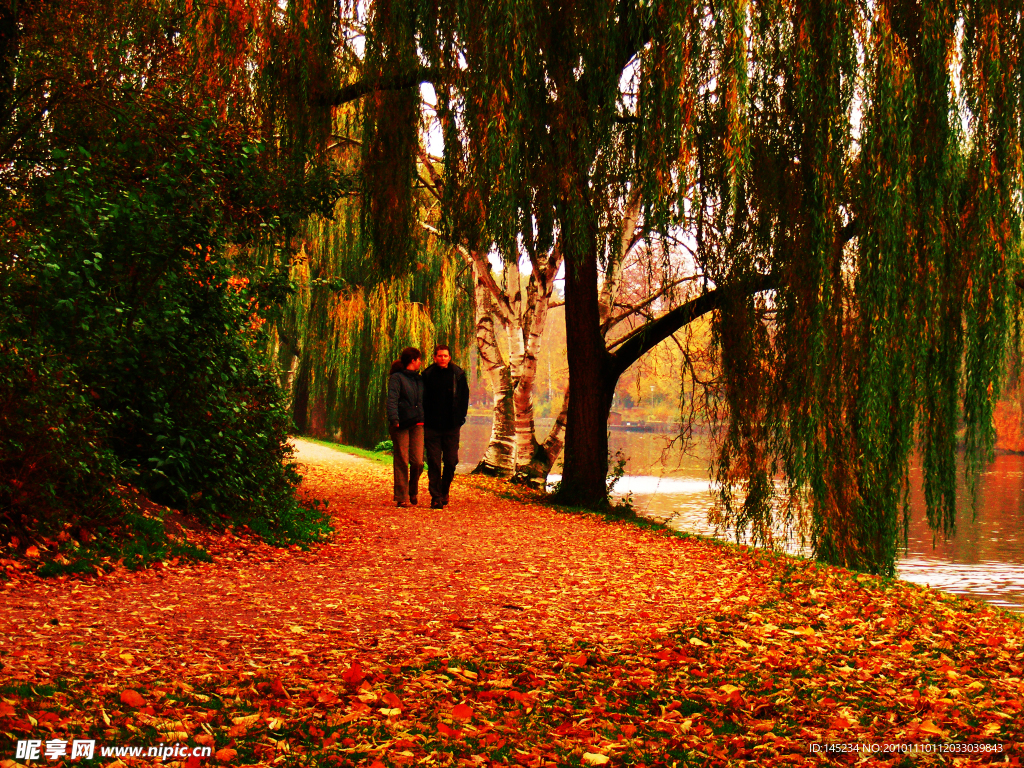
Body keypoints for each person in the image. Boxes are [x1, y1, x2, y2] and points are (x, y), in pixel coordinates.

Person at [421, 344, 470, 509]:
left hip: (451, 426)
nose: (443, 358)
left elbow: (464, 398)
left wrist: (460, 418)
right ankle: (436, 497)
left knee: (451, 461)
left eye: (445, 356)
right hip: (432, 426)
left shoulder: (458, 375)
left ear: (450, 357)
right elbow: (422, 399)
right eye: (440, 356)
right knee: (434, 462)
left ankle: (444, 490)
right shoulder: (427, 375)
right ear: (434, 357)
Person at [386, 347, 425, 508]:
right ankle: (401, 496)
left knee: (418, 462)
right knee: (402, 459)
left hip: (418, 423)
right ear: (413, 360)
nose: (421, 362)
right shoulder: (397, 378)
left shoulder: (420, 379)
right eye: (419, 359)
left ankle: (412, 489)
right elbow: (392, 399)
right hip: (401, 423)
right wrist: (394, 418)